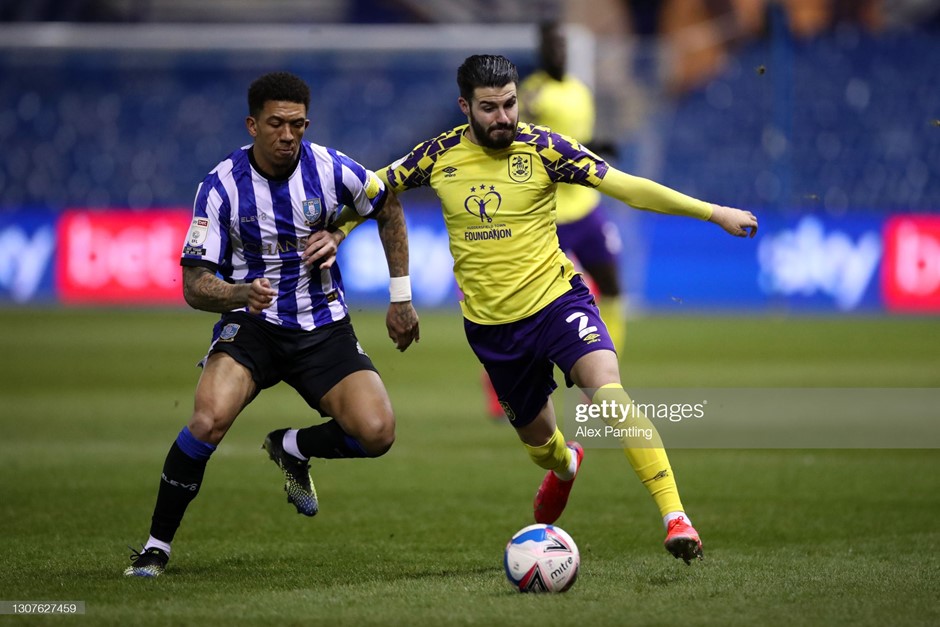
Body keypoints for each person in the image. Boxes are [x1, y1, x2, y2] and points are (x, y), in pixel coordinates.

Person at [335, 54, 757, 564]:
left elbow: (628, 187)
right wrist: (335, 232)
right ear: (464, 106)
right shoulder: (437, 155)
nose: (503, 118)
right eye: (489, 108)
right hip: (493, 330)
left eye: (509, 104)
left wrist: (715, 214)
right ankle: (564, 466)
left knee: (608, 391)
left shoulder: (545, 148)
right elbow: (372, 190)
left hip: (558, 301)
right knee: (541, 444)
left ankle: (675, 517)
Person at [124, 71, 420, 578]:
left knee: (378, 432)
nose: (289, 136)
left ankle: (290, 446)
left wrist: (400, 297)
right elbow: (194, 284)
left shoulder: (330, 168)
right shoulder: (220, 188)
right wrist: (239, 293)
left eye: (298, 125)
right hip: (252, 325)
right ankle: (156, 547)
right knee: (207, 421)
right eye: (278, 124)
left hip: (322, 325)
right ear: (252, 124)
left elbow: (387, 205)